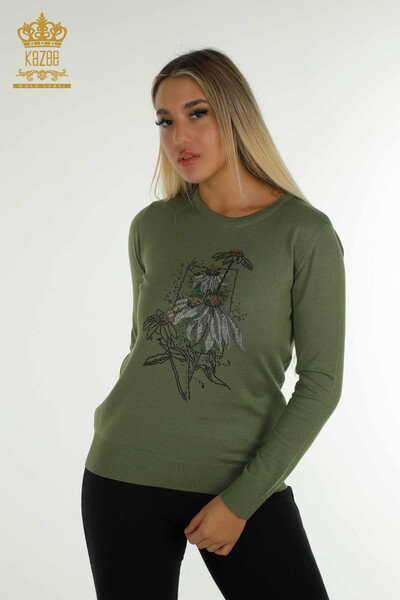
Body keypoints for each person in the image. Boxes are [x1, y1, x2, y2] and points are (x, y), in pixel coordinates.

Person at [81, 48, 346, 600]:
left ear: (234, 115)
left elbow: (321, 384)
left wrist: (242, 501)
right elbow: (142, 346)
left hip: (242, 482)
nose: (179, 136)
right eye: (164, 121)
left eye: (197, 113)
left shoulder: (305, 234)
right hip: (122, 475)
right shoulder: (152, 226)